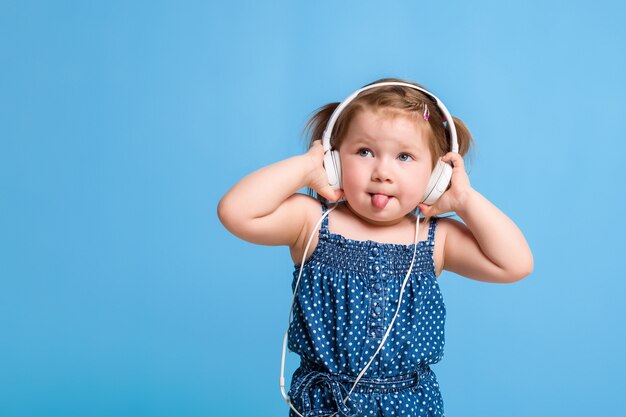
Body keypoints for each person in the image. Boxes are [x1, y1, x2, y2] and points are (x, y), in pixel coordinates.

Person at [217, 78, 533, 417]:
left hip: (410, 407)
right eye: (364, 152)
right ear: (335, 161)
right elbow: (235, 212)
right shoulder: (311, 223)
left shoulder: (434, 238)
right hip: (325, 406)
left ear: (435, 176)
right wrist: (307, 167)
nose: (382, 172)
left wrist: (465, 200)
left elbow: (515, 264)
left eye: (404, 157)